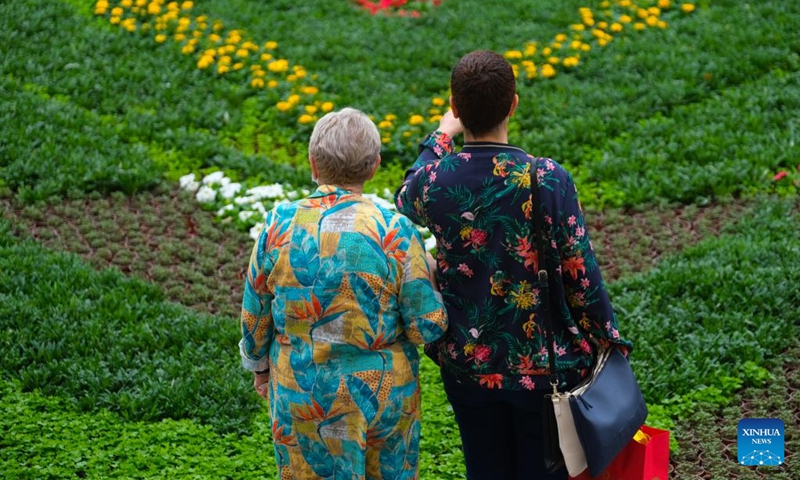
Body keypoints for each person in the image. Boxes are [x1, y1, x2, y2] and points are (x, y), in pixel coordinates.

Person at [395, 50, 632, 480]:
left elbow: (405, 192)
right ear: (513, 104)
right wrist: (606, 337)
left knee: (484, 470)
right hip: (543, 368)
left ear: (454, 108)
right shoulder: (547, 178)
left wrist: (440, 136)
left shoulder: (434, 183)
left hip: (468, 365)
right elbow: (581, 273)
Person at [239, 107, 448, 480]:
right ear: (374, 166)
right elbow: (425, 328)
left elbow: (255, 315)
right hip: (385, 399)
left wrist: (259, 367)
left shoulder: (278, 225)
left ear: (313, 163)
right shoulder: (395, 231)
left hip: (304, 393)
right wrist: (432, 275)